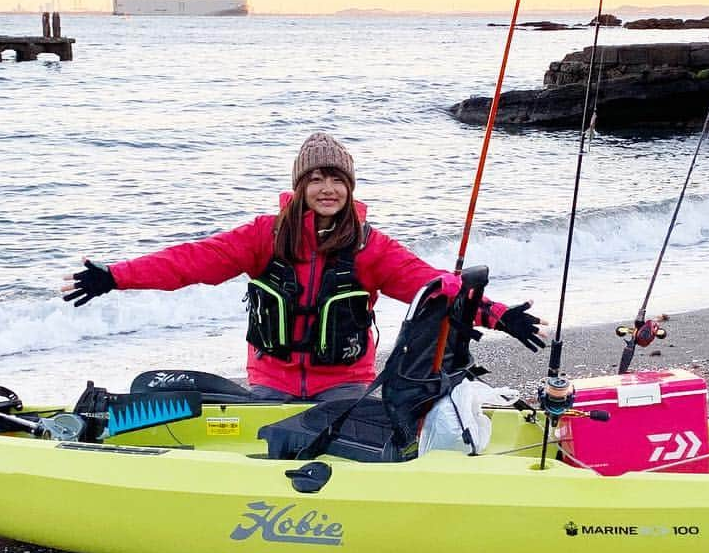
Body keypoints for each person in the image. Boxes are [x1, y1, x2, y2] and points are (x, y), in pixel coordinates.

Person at [62, 132, 545, 402]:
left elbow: (434, 287)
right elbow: (192, 261)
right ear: (300, 187)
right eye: (316, 179)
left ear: (349, 188)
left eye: (336, 179)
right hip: (270, 381)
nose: (327, 188)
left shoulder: (370, 247)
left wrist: (497, 314)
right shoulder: (264, 236)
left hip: (345, 383)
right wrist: (115, 276)